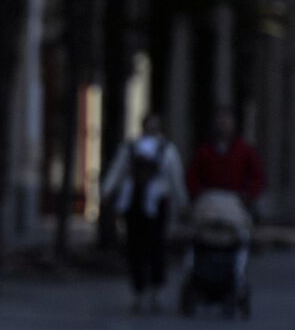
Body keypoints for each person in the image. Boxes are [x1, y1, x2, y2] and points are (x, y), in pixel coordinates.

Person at [102, 114, 188, 313]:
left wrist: (182, 202)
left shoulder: (167, 149)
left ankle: (156, 291)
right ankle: (138, 291)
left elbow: (176, 176)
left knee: (156, 246)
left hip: (157, 202)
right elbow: (118, 169)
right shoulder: (131, 147)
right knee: (135, 248)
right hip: (134, 203)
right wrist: (107, 191)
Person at [186, 106, 266, 207]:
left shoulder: (245, 151)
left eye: (226, 122)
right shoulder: (203, 151)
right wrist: (198, 194)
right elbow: (191, 177)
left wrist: (248, 195)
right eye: (220, 122)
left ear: (233, 124)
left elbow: (258, 177)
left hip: (236, 202)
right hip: (209, 201)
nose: (223, 126)